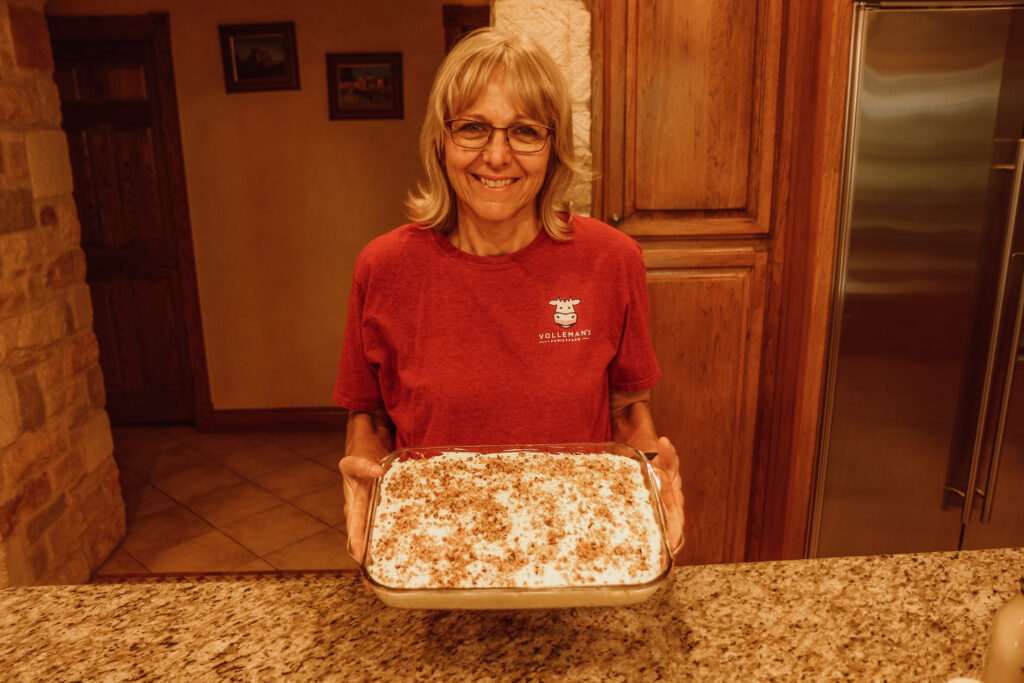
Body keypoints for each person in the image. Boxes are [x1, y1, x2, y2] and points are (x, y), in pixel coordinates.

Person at [333, 27, 684, 563]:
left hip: (574, 555)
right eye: (472, 127)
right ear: (440, 141)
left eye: (524, 131)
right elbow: (370, 416)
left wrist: (649, 485)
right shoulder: (384, 267)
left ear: (554, 148)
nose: (496, 156)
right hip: (435, 556)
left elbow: (627, 408)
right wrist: (364, 473)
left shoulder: (611, 260)